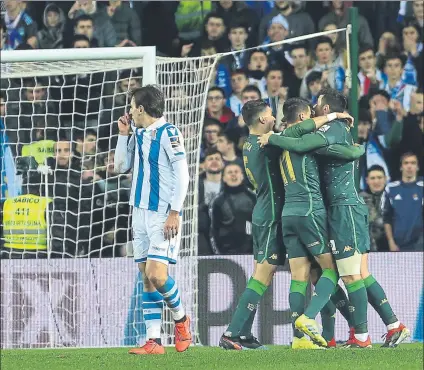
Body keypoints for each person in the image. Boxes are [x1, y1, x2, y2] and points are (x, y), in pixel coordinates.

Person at [220, 99, 356, 350]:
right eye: (271, 115)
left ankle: (244, 333)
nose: (275, 119)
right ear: (262, 120)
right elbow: (298, 131)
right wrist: (334, 116)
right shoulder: (266, 143)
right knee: (264, 274)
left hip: (269, 211)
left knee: (301, 272)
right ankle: (232, 332)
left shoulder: (250, 145)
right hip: (274, 214)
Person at [258, 98, 363, 348]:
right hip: (309, 210)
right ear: (304, 117)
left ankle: (300, 340)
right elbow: (344, 152)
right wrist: (355, 145)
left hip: (287, 215)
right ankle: (311, 319)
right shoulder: (302, 141)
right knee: (332, 270)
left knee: (300, 276)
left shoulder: (281, 140)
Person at [311, 89, 409, 348]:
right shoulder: (337, 129)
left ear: (325, 109)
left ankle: (362, 337)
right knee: (361, 273)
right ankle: (394, 325)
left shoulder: (333, 129)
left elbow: (305, 143)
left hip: (345, 209)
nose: (313, 107)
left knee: (351, 275)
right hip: (345, 208)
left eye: (316, 104)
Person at [114, 85, 191, 355]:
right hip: (140, 213)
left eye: (133, 105)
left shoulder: (169, 133)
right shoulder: (137, 133)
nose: (130, 111)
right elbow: (121, 167)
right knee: (146, 277)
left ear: (142, 108)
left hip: (162, 213)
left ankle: (181, 320)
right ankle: (154, 341)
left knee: (157, 275)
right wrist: (123, 136)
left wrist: (175, 212)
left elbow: (183, 175)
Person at [209, 162, 255, 255]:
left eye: (236, 171)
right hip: (227, 253)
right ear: (224, 178)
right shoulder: (218, 202)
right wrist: (218, 254)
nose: (233, 174)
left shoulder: (253, 198)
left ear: (242, 176)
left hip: (253, 252)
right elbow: (214, 230)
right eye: (230, 172)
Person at [383, 152, 423, 252]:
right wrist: (391, 242)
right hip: (398, 245)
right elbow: (386, 218)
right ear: (401, 167)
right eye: (406, 163)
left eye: (413, 163)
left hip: (420, 244)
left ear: (417, 167)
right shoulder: (391, 188)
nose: (409, 166)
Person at [360, 165, 389, 252]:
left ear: (385, 179)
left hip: (391, 247)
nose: (376, 181)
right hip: (367, 249)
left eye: (379, 177)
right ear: (367, 180)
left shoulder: (392, 197)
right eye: (372, 178)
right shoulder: (359, 199)